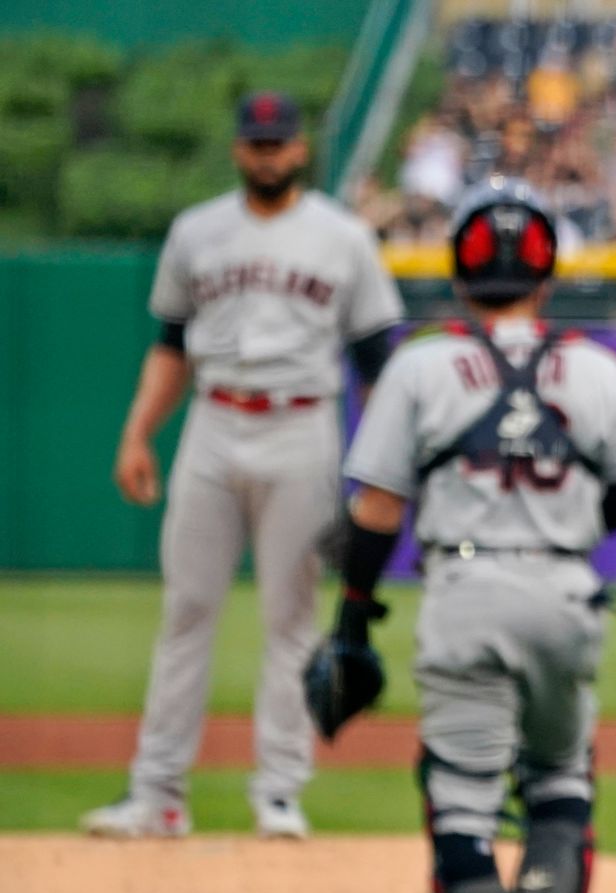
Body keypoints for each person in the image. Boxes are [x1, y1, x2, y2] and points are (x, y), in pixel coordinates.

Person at [323, 177, 616, 893]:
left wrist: (353, 618)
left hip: (464, 592)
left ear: (457, 270)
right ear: (547, 271)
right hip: (564, 588)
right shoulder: (593, 363)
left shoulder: (419, 362)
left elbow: (375, 511)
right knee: (559, 771)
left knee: (462, 798)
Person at [82, 91, 404, 840]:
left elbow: (376, 364)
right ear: (239, 149)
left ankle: (281, 792)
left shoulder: (343, 236)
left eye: (279, 143)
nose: (268, 154)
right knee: (186, 609)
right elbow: (169, 347)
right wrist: (137, 435)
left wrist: (386, 463)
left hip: (302, 426)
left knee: (291, 617)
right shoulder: (197, 231)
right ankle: (157, 793)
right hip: (213, 420)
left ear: (300, 149)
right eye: (257, 143)